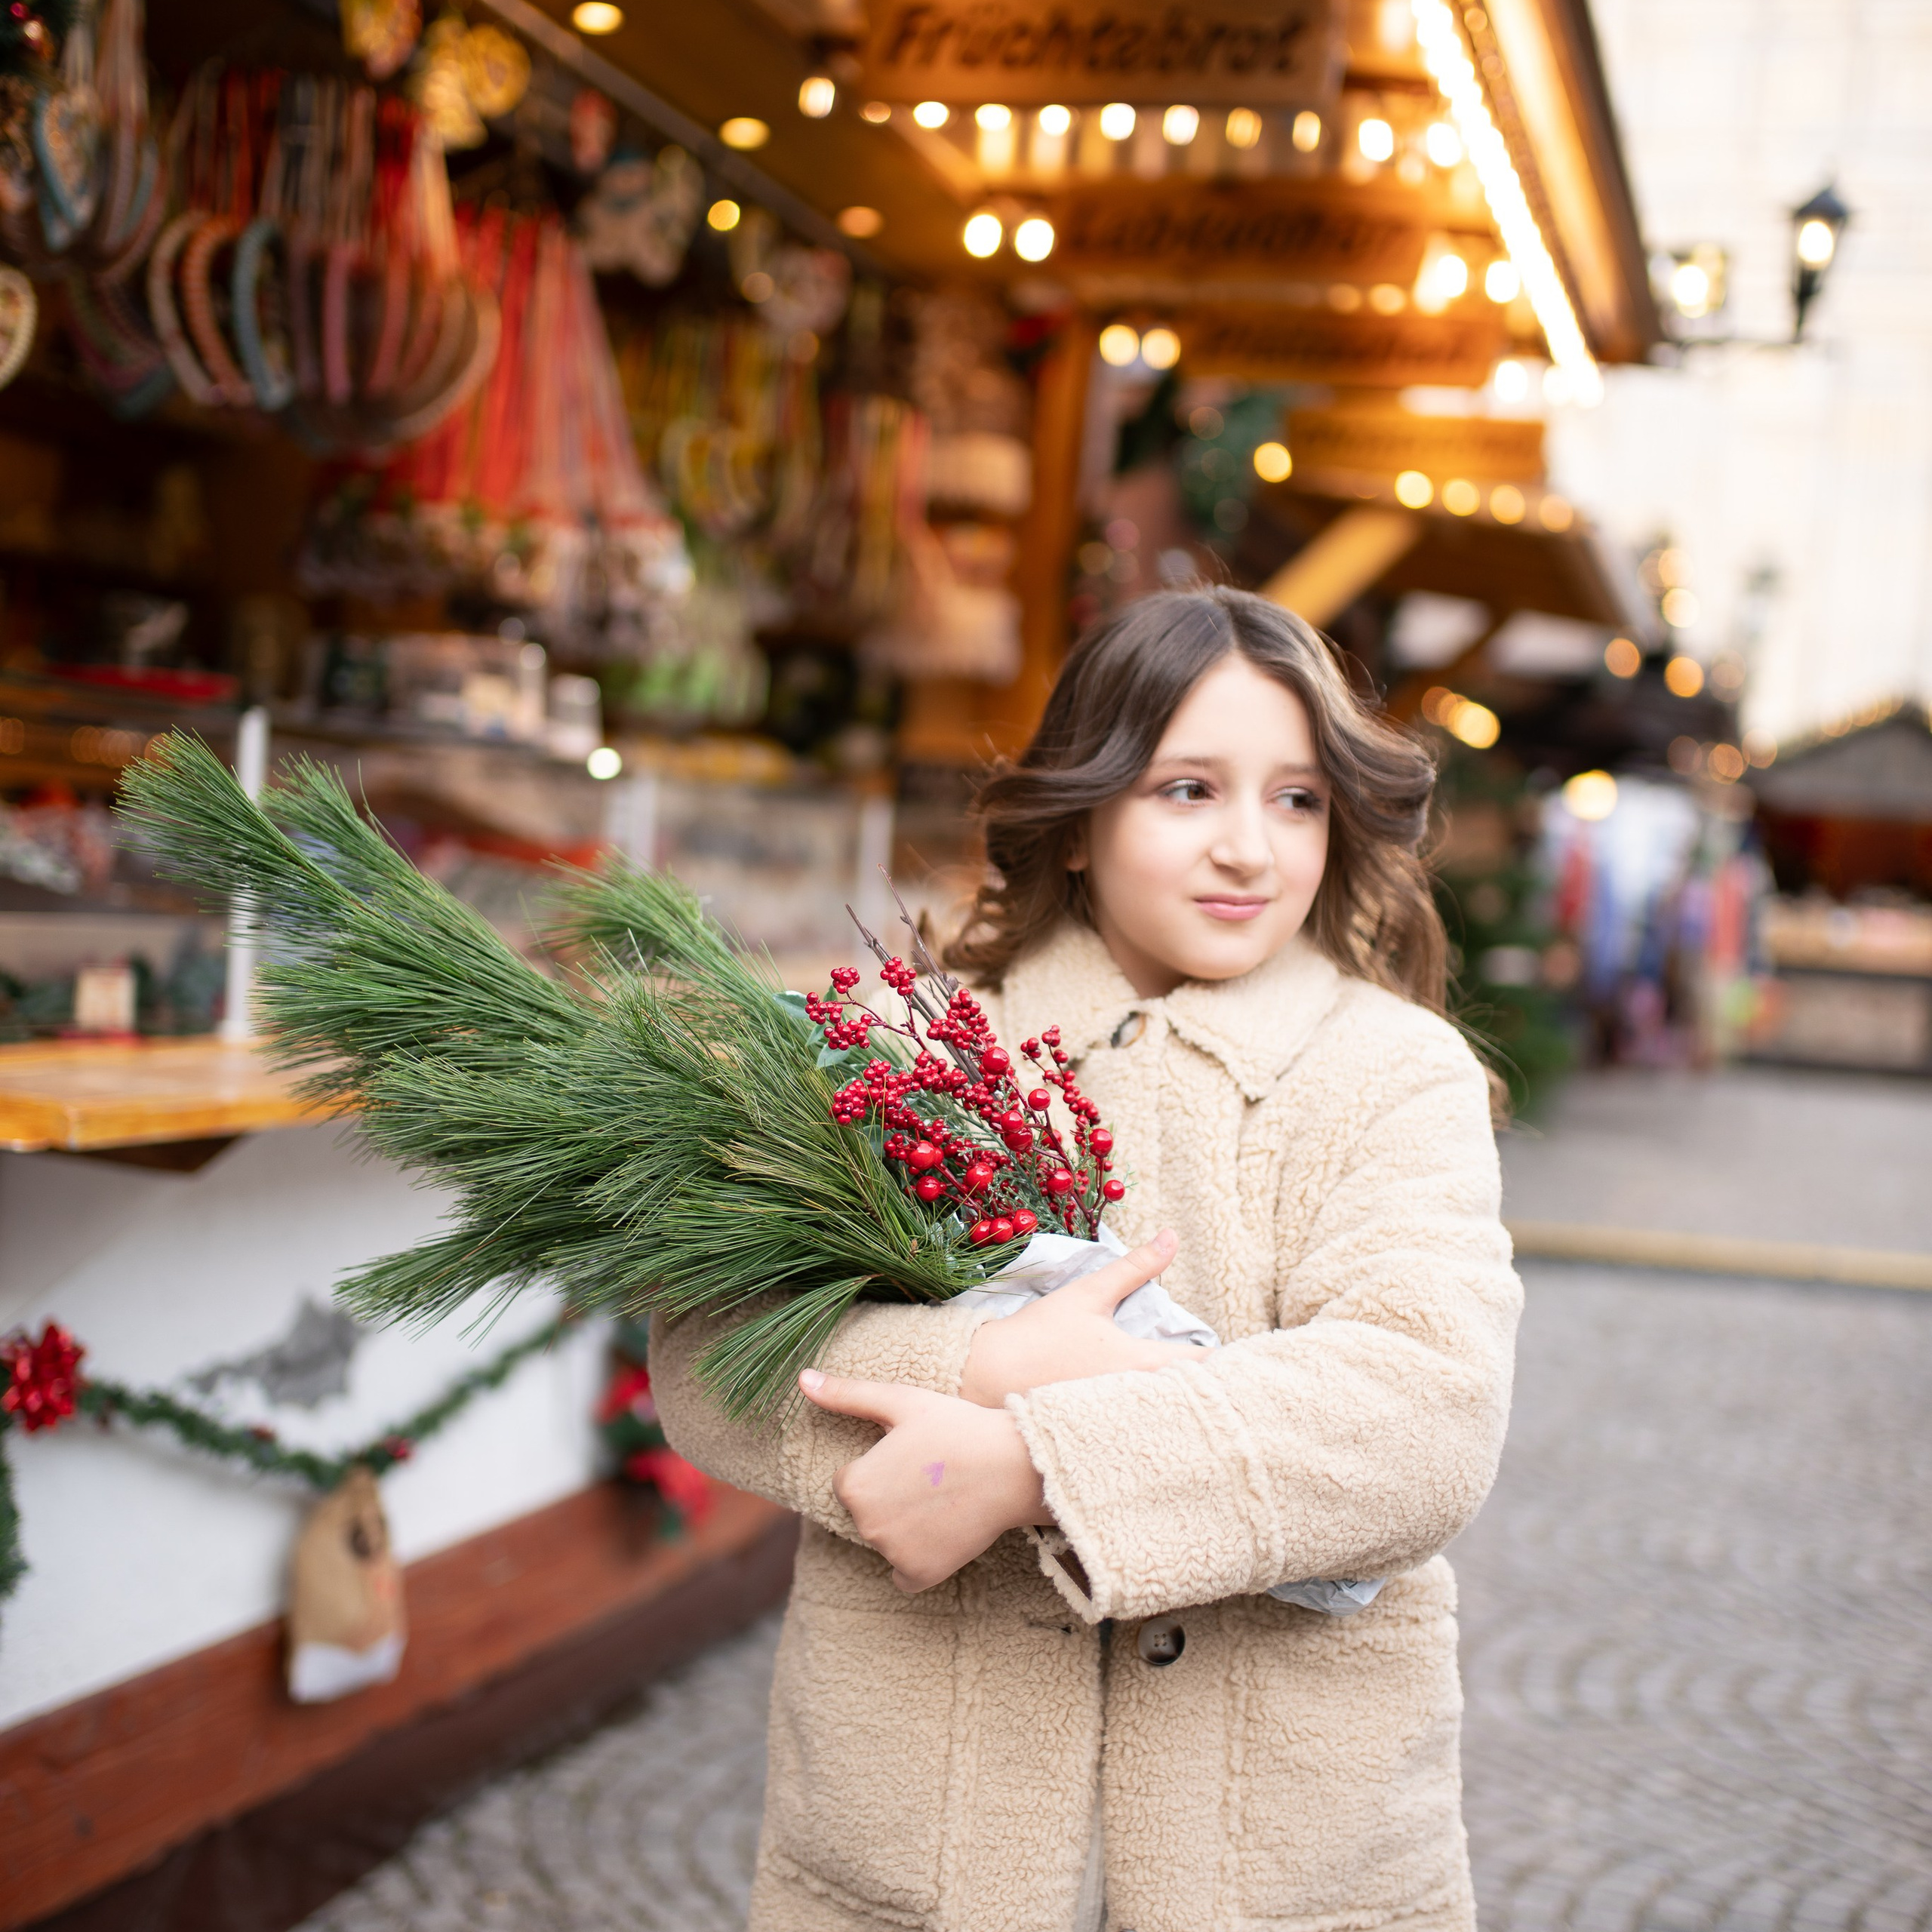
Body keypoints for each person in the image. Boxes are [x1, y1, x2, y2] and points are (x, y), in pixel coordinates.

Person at [652, 586, 1521, 1932]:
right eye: (1189, 790)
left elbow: (1423, 1410)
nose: (1251, 848)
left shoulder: (1392, 1071)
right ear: (1085, 811)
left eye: (1297, 798)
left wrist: (1031, 1460)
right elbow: (712, 1347)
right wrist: (983, 1361)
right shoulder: (913, 1051)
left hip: (1287, 1853)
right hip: (920, 1831)